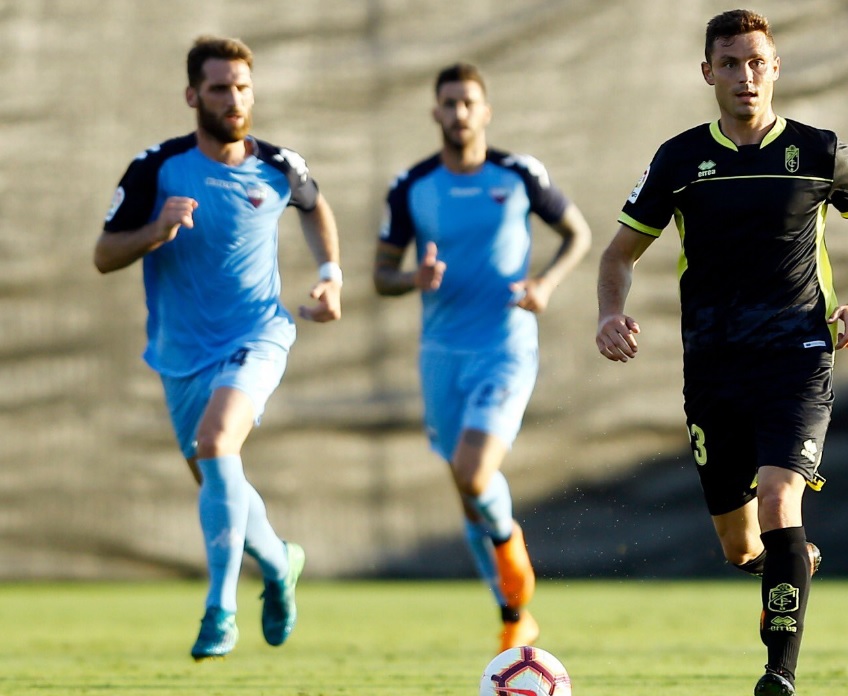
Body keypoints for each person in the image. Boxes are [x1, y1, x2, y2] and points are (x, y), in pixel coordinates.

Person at [595, 9, 848, 696]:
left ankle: (778, 673)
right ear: (707, 73)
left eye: (756, 62)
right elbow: (617, 255)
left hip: (796, 357)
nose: (745, 77)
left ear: (776, 67)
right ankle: (788, 562)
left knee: (777, 497)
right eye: (728, 64)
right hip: (712, 367)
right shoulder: (677, 160)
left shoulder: (821, 150)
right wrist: (610, 313)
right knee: (743, 546)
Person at [93, 36, 343, 660]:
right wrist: (156, 230)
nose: (234, 100)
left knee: (216, 444)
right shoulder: (157, 167)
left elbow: (315, 208)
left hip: (258, 334)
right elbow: (103, 255)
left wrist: (331, 273)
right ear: (191, 96)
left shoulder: (280, 164)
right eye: (219, 89)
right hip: (179, 355)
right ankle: (280, 562)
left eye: (242, 87)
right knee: (216, 475)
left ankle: (219, 609)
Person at [373, 63, 591, 652]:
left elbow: (578, 234)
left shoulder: (519, 174)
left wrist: (544, 284)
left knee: (473, 472)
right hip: (442, 355)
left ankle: (513, 565)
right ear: (435, 112)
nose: (460, 112)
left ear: (485, 111)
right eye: (449, 102)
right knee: (468, 491)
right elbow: (380, 276)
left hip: (505, 347)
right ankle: (513, 610)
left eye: (469, 102)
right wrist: (412, 277)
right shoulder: (411, 184)